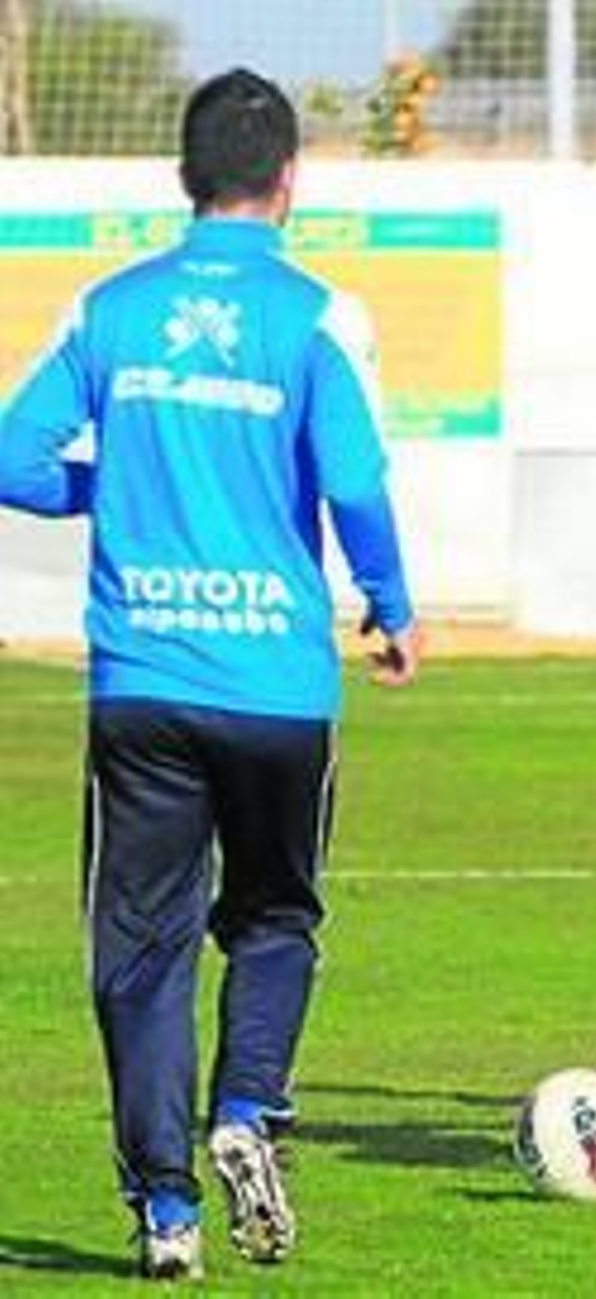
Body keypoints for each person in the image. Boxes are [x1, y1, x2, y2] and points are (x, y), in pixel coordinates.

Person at [0, 68, 421, 1278]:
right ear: (291, 180)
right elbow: (351, 483)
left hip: (141, 681)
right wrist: (391, 607)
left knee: (140, 951)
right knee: (277, 917)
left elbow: (11, 458)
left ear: (184, 178)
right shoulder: (321, 317)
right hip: (278, 688)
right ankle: (246, 1111)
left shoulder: (110, 308)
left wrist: (105, 484)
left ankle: (166, 1212)